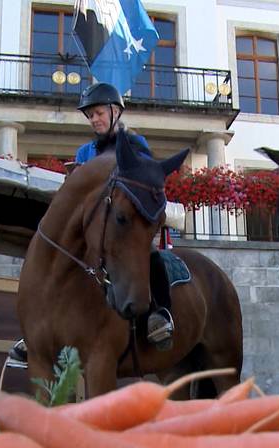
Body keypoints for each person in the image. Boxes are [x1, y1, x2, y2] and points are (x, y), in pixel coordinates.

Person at [77, 82, 173, 350]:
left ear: (115, 112)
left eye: (98, 113)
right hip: (95, 225)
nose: (94, 119)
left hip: (128, 222)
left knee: (149, 253)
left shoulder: (136, 144)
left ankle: (161, 313)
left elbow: (144, 182)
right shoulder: (84, 153)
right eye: (90, 115)